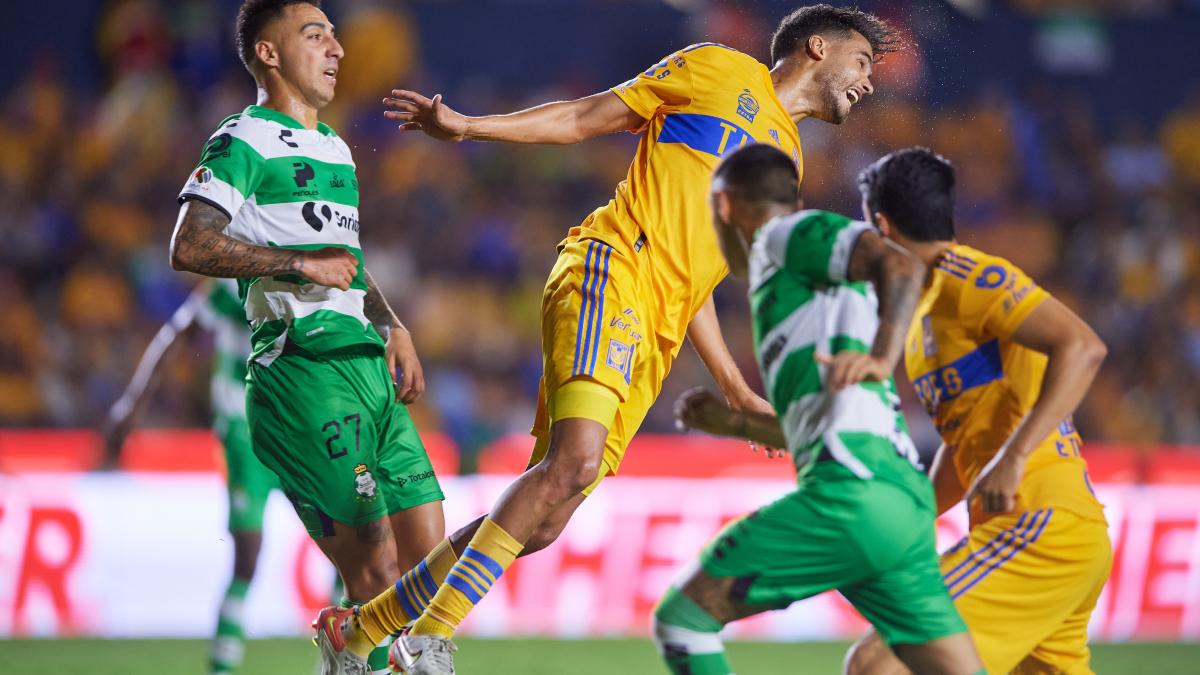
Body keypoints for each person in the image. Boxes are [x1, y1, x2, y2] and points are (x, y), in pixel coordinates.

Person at [327, 6, 899, 673]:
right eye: (861, 63)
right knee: (570, 464)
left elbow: (697, 278)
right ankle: (425, 641)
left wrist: (735, 384)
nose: (867, 82)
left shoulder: (785, 162)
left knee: (543, 521)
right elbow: (587, 115)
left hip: (652, 328)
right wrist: (468, 127)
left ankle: (362, 626)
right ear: (818, 47)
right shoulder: (721, 69)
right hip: (612, 269)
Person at [169, 2, 445, 673]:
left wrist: (393, 324)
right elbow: (189, 244)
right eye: (315, 34)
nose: (337, 48)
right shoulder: (242, 139)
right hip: (302, 371)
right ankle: (362, 650)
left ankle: (346, 641)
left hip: (368, 369)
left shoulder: (336, 149)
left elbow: (344, 260)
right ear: (269, 53)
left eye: (333, 33)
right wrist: (295, 264)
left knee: (430, 560)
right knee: (375, 567)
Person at [661, 143, 984, 675]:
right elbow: (823, 425)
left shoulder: (781, 237)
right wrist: (734, 422)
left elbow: (899, 266)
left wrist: (882, 356)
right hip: (902, 503)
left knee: (685, 618)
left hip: (851, 492)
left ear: (722, 206)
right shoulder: (801, 292)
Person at [844, 148, 1111, 675]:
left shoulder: (967, 276)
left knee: (878, 663)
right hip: (1036, 535)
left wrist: (1013, 458)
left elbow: (1083, 347)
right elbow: (962, 436)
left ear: (882, 226)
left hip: (1039, 522)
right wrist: (915, 516)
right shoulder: (925, 312)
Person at [104, 279, 277, 675]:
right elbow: (178, 334)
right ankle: (221, 667)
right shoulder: (234, 282)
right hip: (244, 430)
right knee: (248, 556)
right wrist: (134, 402)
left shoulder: (310, 274)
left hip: (302, 428)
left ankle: (348, 657)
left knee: (347, 539)